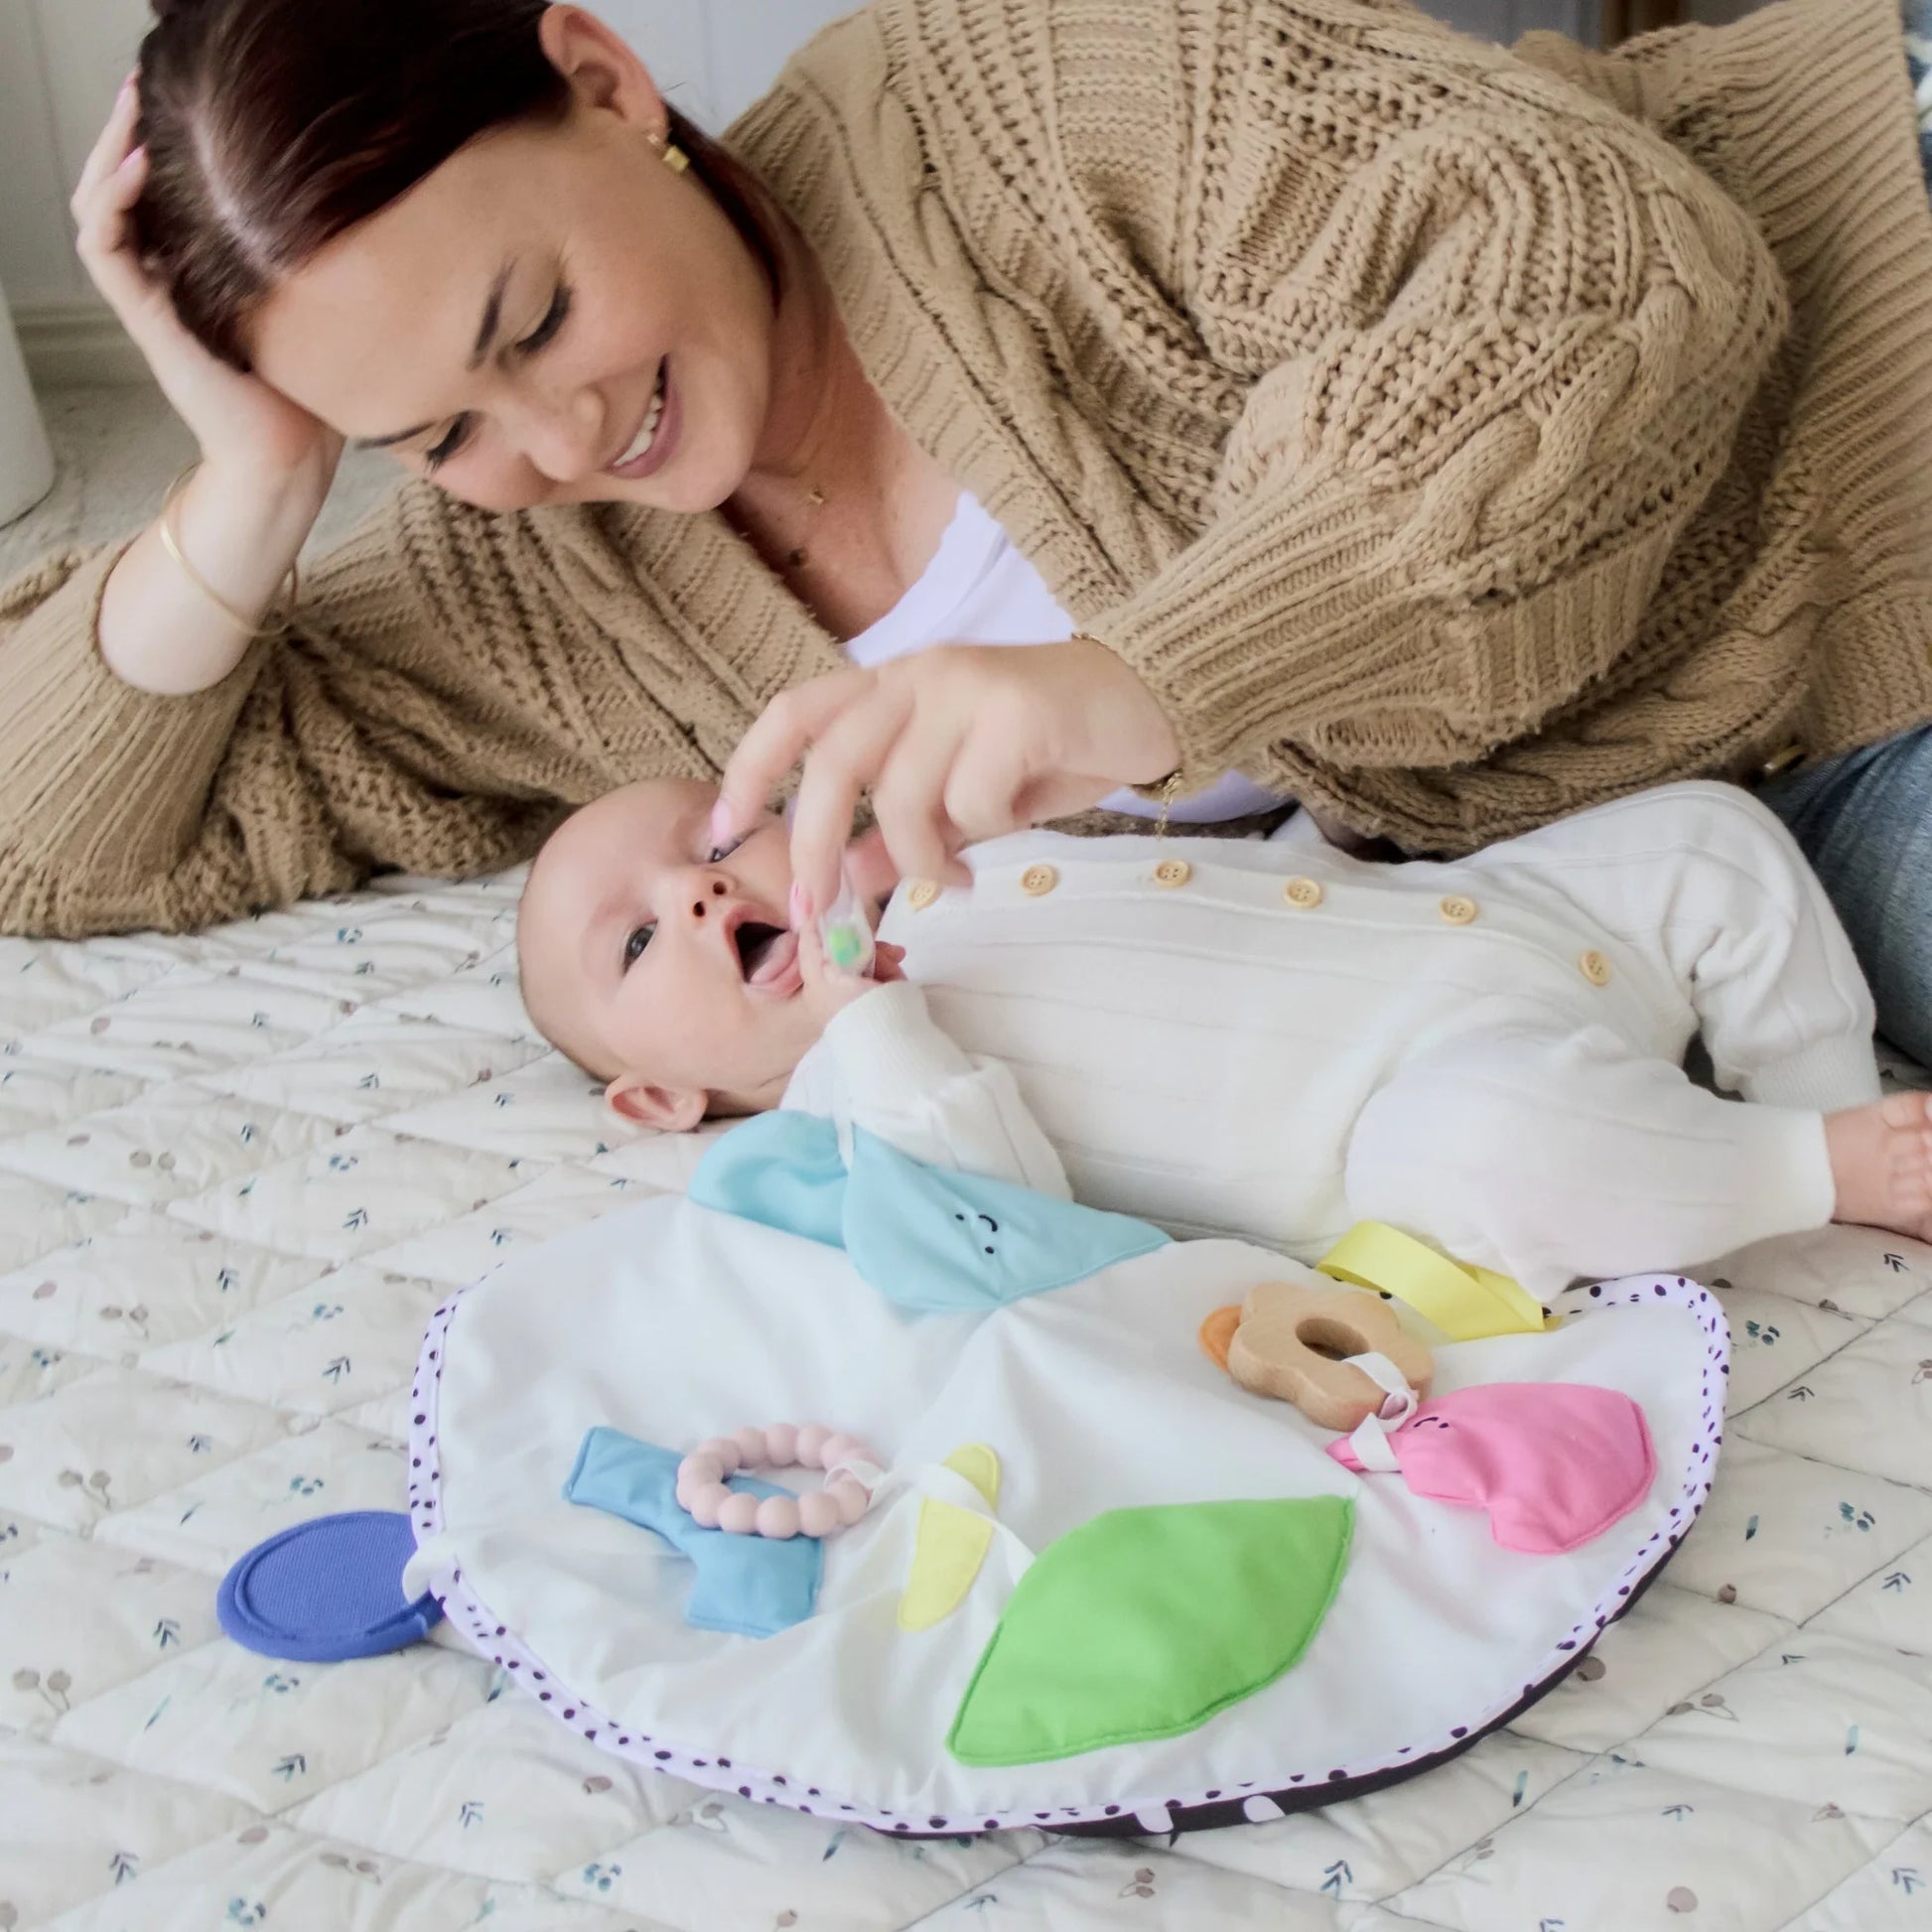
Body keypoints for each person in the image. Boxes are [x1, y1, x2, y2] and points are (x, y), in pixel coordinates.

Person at [6, 0, 1930, 1055]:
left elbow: (1601, 274)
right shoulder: (531, 590)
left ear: (603, 84)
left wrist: (1142, 675)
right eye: (434, 431)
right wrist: (254, 483)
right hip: (1760, 800)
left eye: (536, 319)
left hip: (1857, 384)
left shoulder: (1005, 83)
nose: (561, 436)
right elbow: (45, 849)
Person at [511, 772, 1932, 1294]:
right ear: (654, 1099)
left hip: (1488, 916)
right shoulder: (843, 1122)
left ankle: (1809, 1079)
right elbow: (1003, 1224)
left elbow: (1202, 882)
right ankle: (1813, 1166)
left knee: (1708, 836)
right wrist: (869, 1018)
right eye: (637, 942)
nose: (698, 892)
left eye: (714, 839)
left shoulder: (948, 876)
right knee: (1512, 1149)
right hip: (1421, 1103)